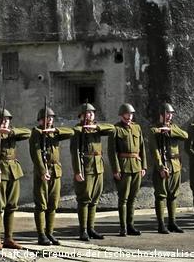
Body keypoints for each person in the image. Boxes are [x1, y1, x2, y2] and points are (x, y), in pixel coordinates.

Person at [0, 108, 31, 250]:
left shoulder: (12, 134)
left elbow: (28, 133)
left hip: (14, 172)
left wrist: (10, 132)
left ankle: (9, 238)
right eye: (2, 120)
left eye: (7, 120)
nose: (5, 122)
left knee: (11, 206)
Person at [70, 103, 116, 241]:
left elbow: (112, 128)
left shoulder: (97, 129)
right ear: (81, 116)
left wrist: (95, 127)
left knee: (94, 200)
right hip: (86, 168)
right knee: (84, 199)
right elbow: (75, 152)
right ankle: (83, 230)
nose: (90, 115)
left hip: (98, 168)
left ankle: (91, 228)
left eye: (92, 113)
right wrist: (78, 171)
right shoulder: (78, 130)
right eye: (87, 113)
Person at [29, 107, 74, 246]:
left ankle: (50, 232)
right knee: (41, 204)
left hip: (56, 170)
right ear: (41, 120)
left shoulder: (54, 132)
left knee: (53, 203)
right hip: (43, 171)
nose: (50, 120)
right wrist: (43, 171)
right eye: (47, 118)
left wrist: (55, 130)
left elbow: (71, 132)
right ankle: (41, 234)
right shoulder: (36, 132)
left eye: (52, 118)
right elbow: (35, 154)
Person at [109, 103, 147, 237]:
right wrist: (116, 169)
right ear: (122, 114)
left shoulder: (137, 127)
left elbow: (142, 147)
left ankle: (131, 225)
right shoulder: (116, 129)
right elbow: (112, 152)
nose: (130, 116)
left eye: (131, 114)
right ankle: (123, 227)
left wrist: (144, 166)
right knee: (123, 198)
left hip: (136, 165)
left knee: (133, 198)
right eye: (127, 114)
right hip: (123, 166)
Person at [150, 103, 189, 234]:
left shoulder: (174, 127)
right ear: (161, 115)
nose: (170, 116)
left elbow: (185, 135)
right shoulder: (154, 129)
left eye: (171, 114)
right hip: (163, 166)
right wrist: (160, 167)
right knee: (161, 196)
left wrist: (170, 131)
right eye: (167, 113)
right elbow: (154, 151)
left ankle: (172, 222)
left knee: (173, 195)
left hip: (175, 165)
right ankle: (161, 224)